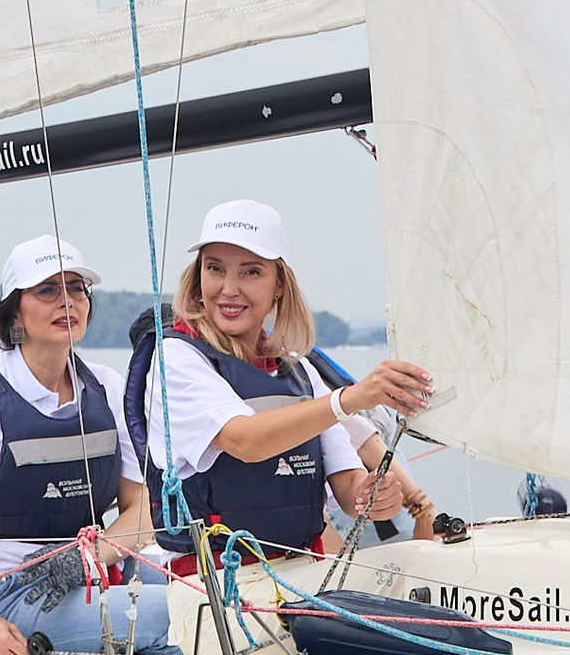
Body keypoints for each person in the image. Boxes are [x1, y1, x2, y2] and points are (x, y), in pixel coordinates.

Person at [0, 236, 173, 655]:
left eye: (76, 289)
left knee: (218, 594)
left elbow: (143, 507)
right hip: (7, 596)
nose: (66, 302)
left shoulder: (104, 385)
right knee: (192, 619)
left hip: (88, 575)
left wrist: (88, 556)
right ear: (15, 312)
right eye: (47, 290)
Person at [136, 199, 438, 554]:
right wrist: (354, 397)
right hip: (219, 582)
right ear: (198, 275)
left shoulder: (298, 371)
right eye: (215, 269)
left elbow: (347, 488)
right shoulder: (175, 359)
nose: (229, 288)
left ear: (278, 283)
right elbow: (246, 441)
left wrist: (374, 497)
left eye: (251, 272)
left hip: (301, 571)